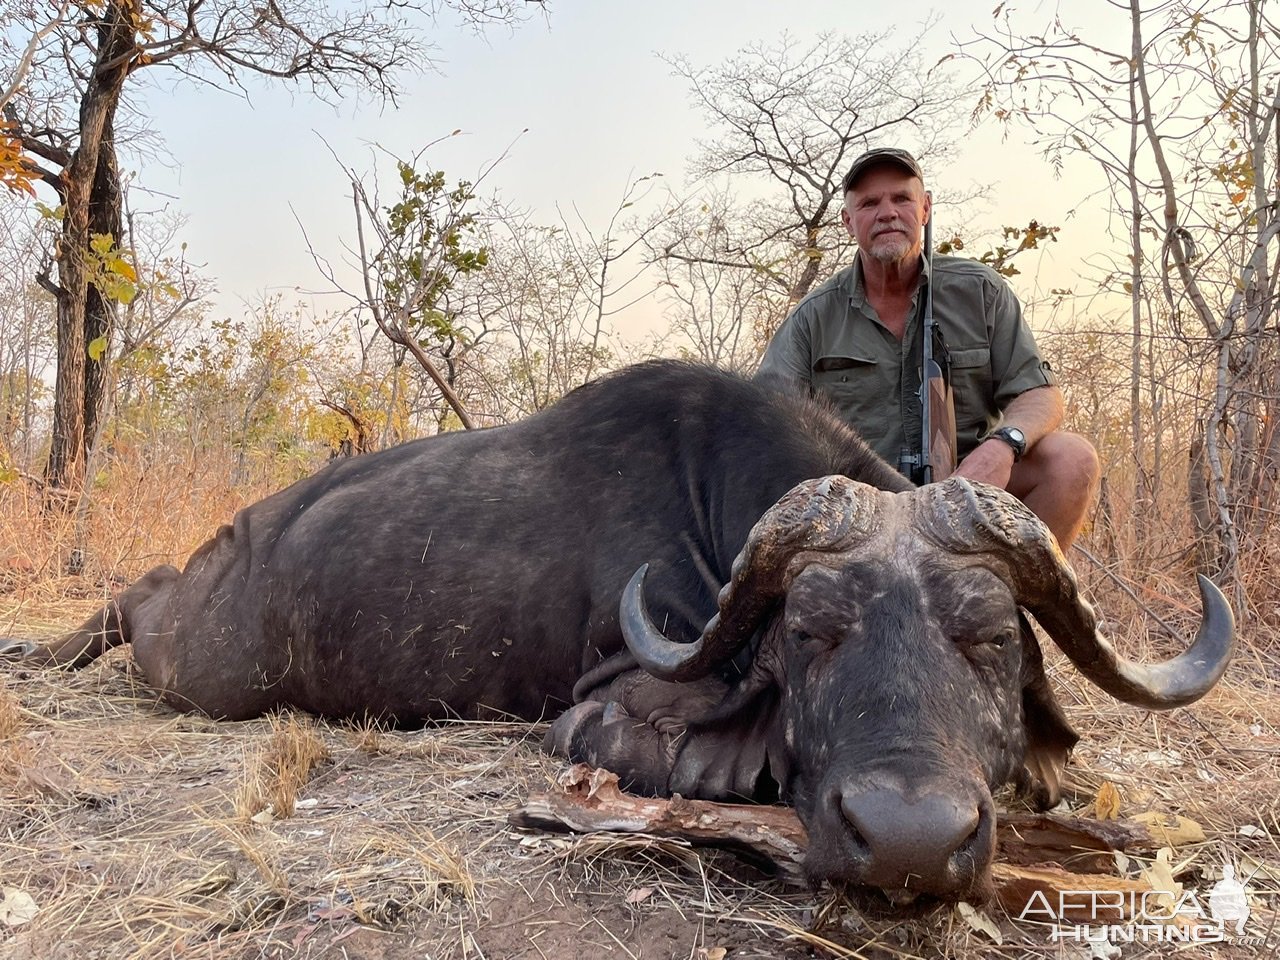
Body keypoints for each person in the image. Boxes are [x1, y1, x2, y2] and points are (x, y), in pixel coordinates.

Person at [755, 146, 1099, 548]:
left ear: (925, 209)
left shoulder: (981, 291)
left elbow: (1041, 395)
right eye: (869, 203)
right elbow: (767, 420)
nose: (887, 212)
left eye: (901, 198)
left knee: (1071, 459)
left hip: (968, 495)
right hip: (857, 512)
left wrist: (1001, 448)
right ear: (848, 221)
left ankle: (1011, 604)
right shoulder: (813, 316)